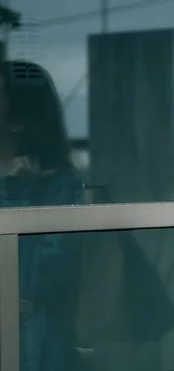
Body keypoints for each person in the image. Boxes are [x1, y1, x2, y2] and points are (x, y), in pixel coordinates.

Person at [0, 60, 84, 371]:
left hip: (34, 352)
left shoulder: (60, 187)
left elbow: (33, 280)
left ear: (17, 119)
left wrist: (18, 195)